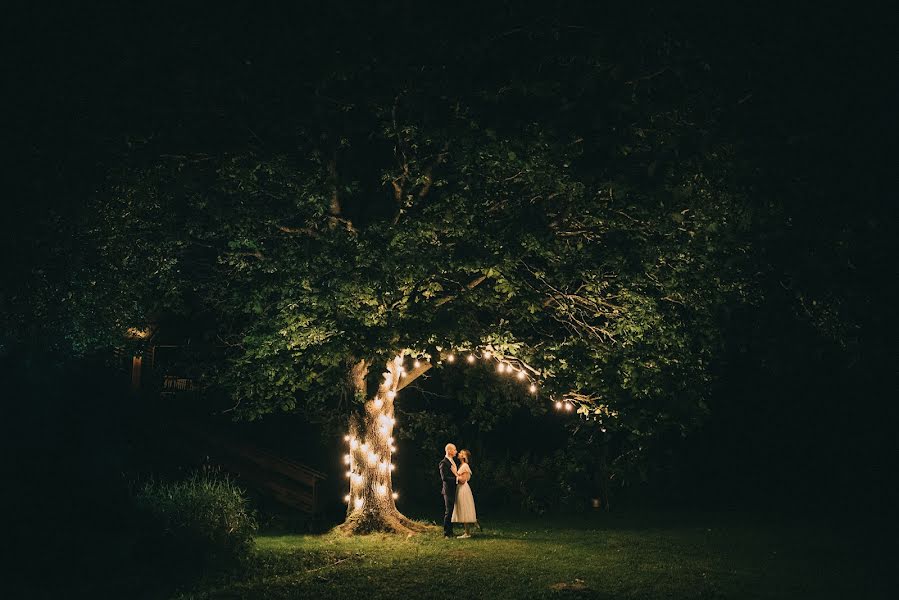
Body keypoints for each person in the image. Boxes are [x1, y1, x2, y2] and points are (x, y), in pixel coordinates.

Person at [451, 449, 478, 538]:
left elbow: (463, 480)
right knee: (463, 509)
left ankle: (467, 533)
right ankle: (468, 530)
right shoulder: (462, 465)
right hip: (460, 488)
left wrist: (455, 474)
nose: (458, 453)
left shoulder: (465, 466)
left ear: (464, 457)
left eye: (461, 453)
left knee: (464, 509)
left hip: (463, 489)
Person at [438, 443, 458, 538]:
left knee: (452, 511)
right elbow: (444, 478)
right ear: (449, 450)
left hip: (453, 490)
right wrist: (457, 479)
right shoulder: (443, 463)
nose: (456, 451)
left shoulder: (452, 461)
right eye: (454, 450)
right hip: (448, 491)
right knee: (449, 511)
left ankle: (451, 531)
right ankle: (446, 533)